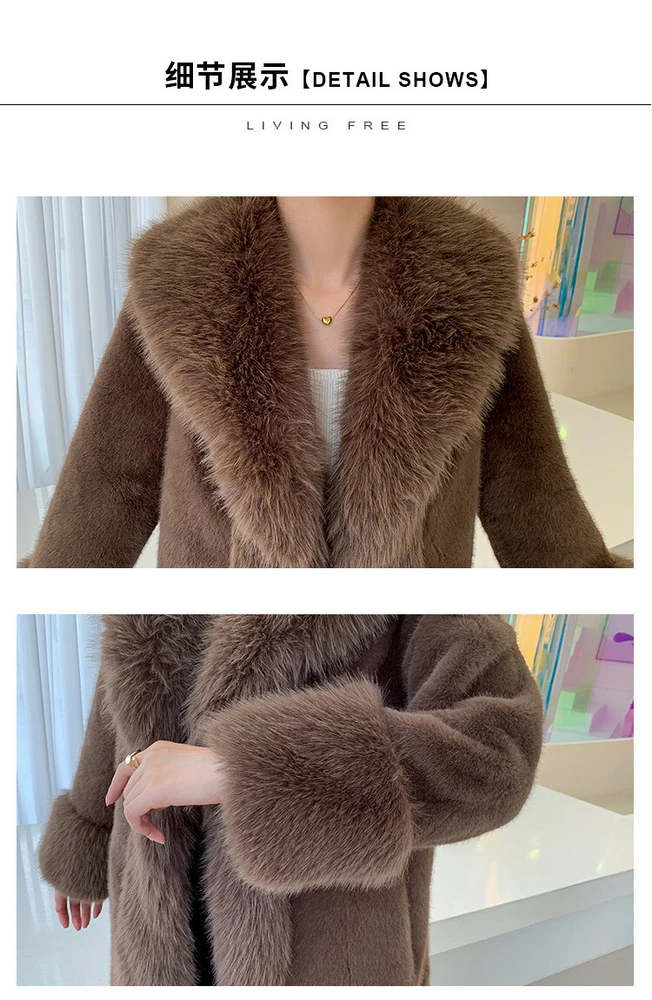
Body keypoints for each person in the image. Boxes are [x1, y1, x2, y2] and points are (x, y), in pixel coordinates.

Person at [20, 196, 629, 568]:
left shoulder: (470, 285)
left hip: (404, 669)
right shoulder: (178, 281)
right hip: (210, 662)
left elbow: (525, 484)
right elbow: (111, 479)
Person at [38, 613, 544, 986]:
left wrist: (244, 768)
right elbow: (124, 694)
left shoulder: (410, 566)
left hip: (330, 953)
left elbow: (500, 752)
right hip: (151, 928)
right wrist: (90, 821)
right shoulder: (179, 558)